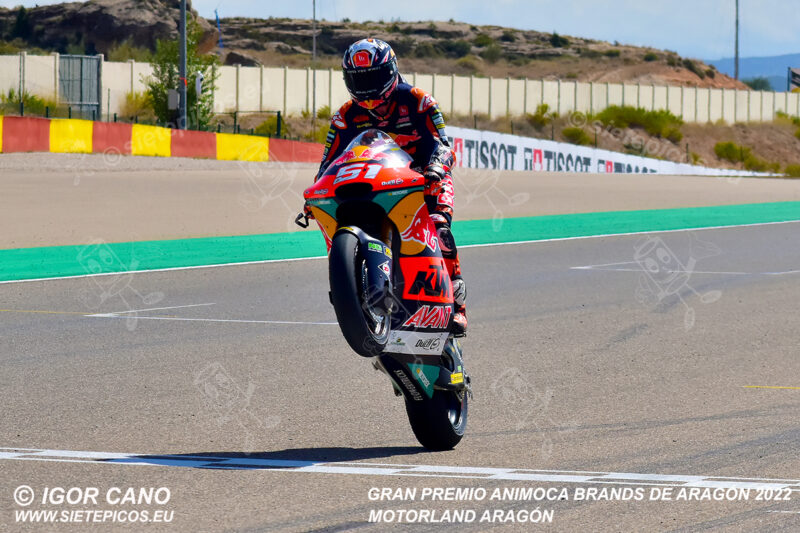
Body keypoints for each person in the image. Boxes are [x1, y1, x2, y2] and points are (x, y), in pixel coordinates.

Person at [314, 38, 467, 336]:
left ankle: (458, 305)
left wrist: (436, 168)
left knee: (440, 228)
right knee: (336, 217)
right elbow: (327, 163)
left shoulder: (419, 101)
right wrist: (315, 194)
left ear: (391, 71)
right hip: (375, 183)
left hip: (424, 180)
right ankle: (348, 286)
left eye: (373, 77)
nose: (367, 87)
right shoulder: (345, 116)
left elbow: (444, 146)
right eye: (359, 79)